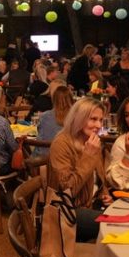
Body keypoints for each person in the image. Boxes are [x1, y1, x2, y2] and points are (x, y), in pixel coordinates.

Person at [46, 97, 111, 242]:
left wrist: (103, 194)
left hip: (91, 205)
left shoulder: (91, 140)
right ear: (79, 118)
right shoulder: (62, 143)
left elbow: (97, 178)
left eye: (100, 120)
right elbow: (68, 190)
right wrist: (88, 156)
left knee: (126, 218)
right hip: (66, 211)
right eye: (93, 119)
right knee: (114, 224)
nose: (98, 125)